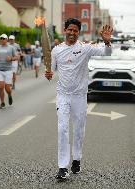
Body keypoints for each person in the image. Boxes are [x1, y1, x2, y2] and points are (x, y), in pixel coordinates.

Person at [44, 18, 112, 180]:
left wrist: (107, 43)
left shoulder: (86, 48)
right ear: (65, 30)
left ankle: (76, 159)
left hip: (79, 96)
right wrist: (48, 74)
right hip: (63, 95)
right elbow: (51, 70)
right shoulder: (56, 50)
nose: (72, 33)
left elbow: (106, 53)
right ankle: (62, 167)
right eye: (70, 30)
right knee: (62, 128)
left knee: (79, 130)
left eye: (75, 30)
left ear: (78, 32)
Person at [0, 34, 17, 109]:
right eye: (1, 38)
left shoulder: (11, 48)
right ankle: (2, 102)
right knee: (0, 87)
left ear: (7, 40)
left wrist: (11, 59)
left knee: (7, 88)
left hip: (8, 70)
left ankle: (9, 95)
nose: (2, 40)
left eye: (4, 39)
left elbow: (16, 57)